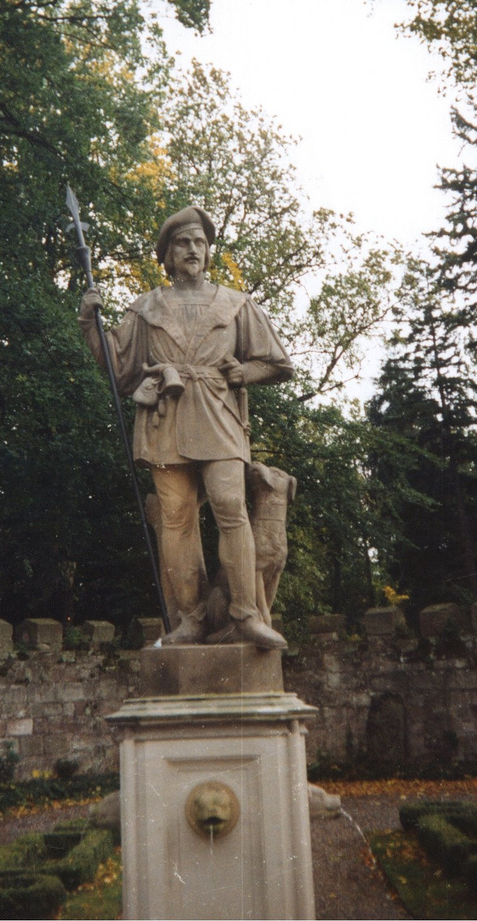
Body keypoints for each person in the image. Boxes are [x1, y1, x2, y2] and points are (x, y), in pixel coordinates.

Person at [79, 205, 293, 650]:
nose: (192, 249)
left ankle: (246, 613)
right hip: (167, 415)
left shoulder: (236, 303)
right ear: (168, 255)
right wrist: (90, 324)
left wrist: (244, 374)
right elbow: (120, 372)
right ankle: (191, 620)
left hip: (219, 411)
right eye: (182, 243)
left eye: (199, 242)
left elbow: (276, 363)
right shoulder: (146, 306)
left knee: (231, 505)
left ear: (208, 251)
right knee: (175, 520)